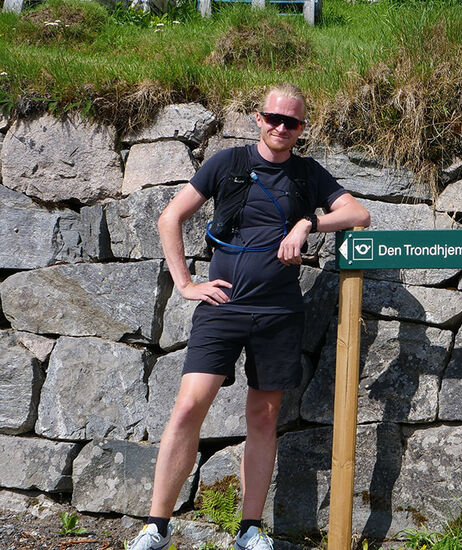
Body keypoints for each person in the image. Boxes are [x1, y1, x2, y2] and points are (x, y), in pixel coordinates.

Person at [127, 83, 370, 550]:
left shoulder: (307, 174)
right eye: (273, 118)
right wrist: (185, 285)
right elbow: (169, 217)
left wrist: (307, 223)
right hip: (222, 307)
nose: (281, 127)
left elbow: (359, 215)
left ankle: (249, 530)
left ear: (301, 129)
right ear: (258, 119)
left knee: (263, 417)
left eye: (291, 122)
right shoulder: (228, 163)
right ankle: (156, 526)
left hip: (278, 311)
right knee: (187, 408)